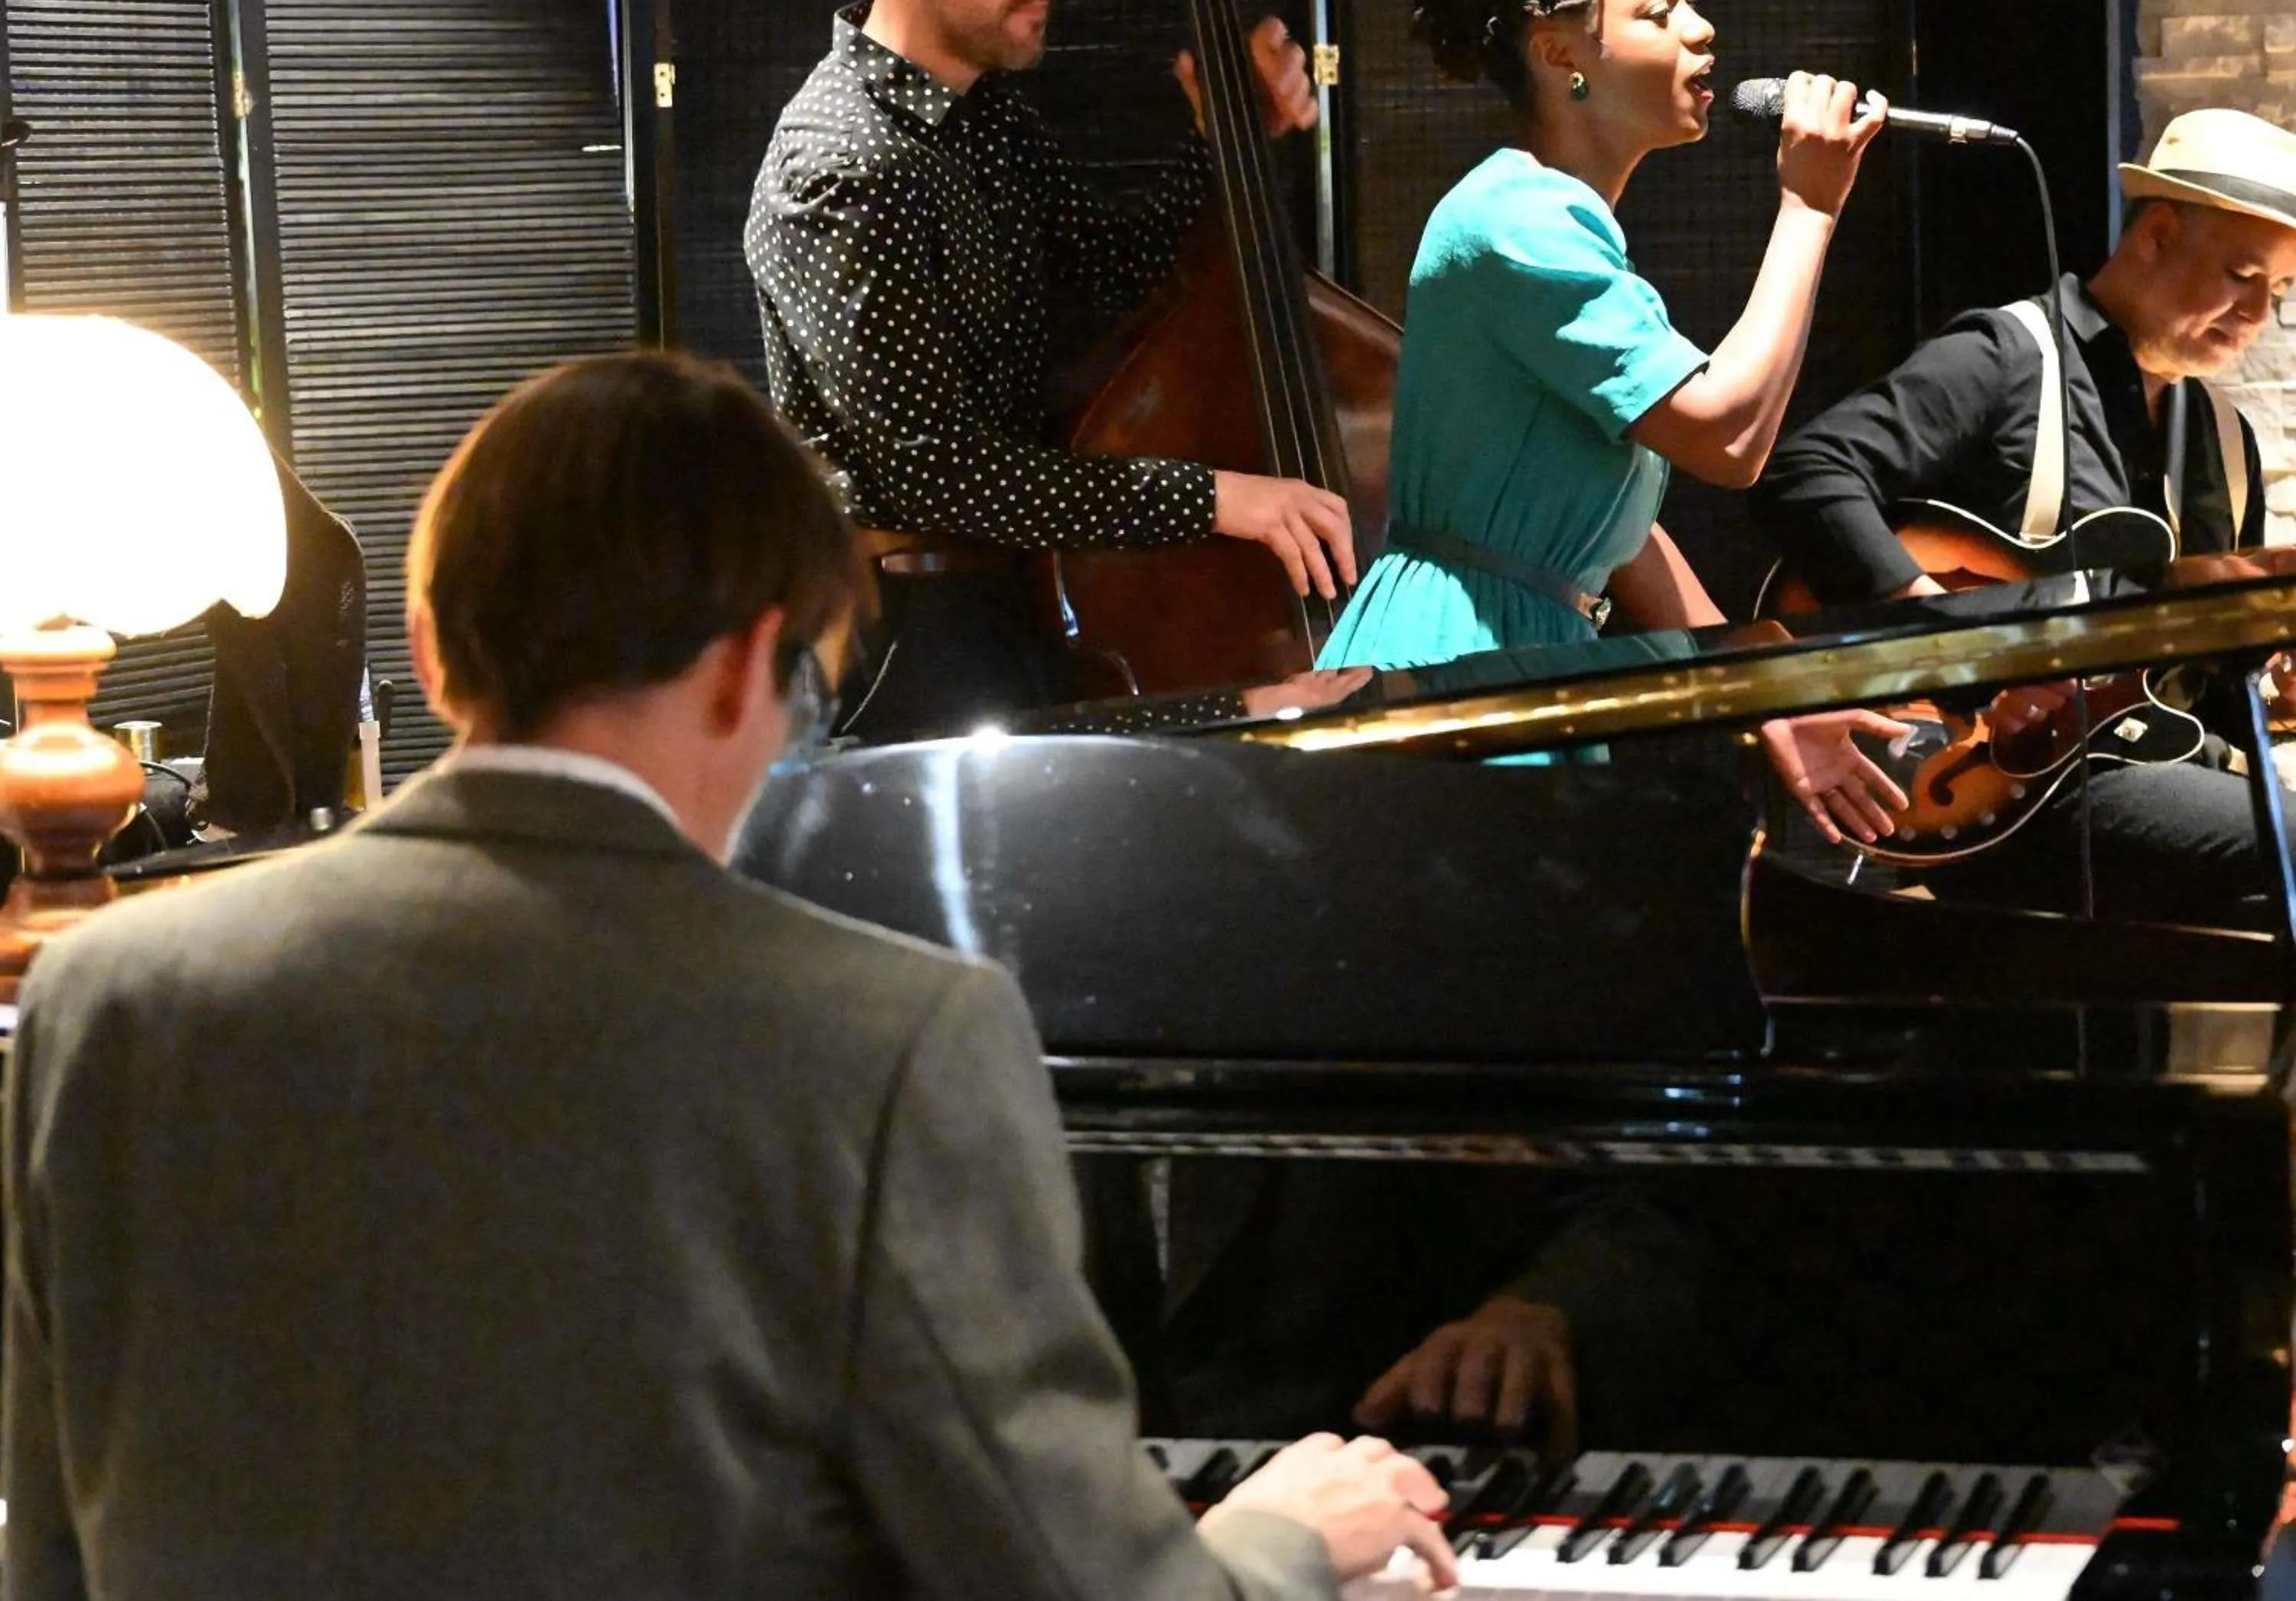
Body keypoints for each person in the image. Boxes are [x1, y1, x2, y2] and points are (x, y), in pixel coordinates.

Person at [1, 351, 1456, 1599]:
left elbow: (52, 1556)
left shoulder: (104, 998)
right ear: (749, 662)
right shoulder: (890, 1039)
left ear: (435, 652)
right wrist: (1275, 1539)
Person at [1313, 0, 1907, 849]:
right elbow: (1728, 437)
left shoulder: (1558, 218)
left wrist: (1765, 685)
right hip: (1459, 661)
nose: (1704, 30)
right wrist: (1810, 209)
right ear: (1560, 55)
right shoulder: (1519, 221)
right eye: (1660, 10)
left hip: (1522, 652)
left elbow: (1615, 530)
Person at [747, 0, 1354, 740]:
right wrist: (1216, 498)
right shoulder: (843, 167)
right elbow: (938, 470)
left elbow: (1113, 280)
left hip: (1016, 597)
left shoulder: (984, 114)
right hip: (908, 643)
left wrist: (1226, 134)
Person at [1752, 107, 2296, 925]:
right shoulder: (2006, 357)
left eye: (2280, 293)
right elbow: (1807, 473)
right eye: (2241, 276)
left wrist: (2269, 689)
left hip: (2143, 773)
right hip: (1981, 780)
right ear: (2156, 234)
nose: (2256, 316)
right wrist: (1955, 643)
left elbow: (2203, 683)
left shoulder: (2226, 446)